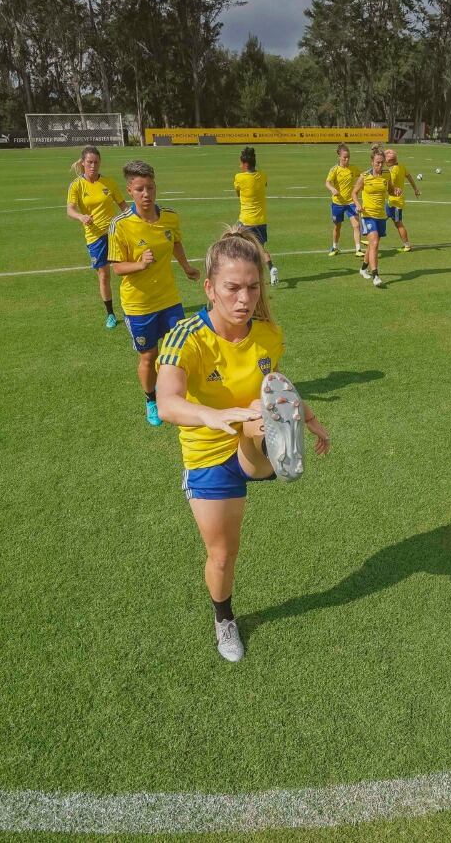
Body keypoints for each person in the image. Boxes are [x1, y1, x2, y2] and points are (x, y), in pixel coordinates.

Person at [155, 227, 330, 662]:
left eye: (252, 287)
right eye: (233, 288)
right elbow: (167, 402)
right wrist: (213, 417)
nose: (244, 299)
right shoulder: (186, 337)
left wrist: (310, 418)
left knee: (259, 410)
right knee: (222, 553)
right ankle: (224, 619)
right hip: (207, 454)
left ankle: (267, 441)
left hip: (252, 444)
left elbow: (278, 389)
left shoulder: (268, 334)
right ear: (210, 287)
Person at [108, 160, 200, 426]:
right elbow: (116, 268)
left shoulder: (170, 216)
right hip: (139, 304)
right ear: (130, 191)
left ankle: (182, 394)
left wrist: (186, 267)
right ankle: (151, 399)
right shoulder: (120, 225)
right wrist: (140, 263)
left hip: (169, 299)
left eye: (149, 187)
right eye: (139, 189)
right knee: (149, 356)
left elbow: (176, 241)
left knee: (182, 349)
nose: (146, 194)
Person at [67, 145, 127, 328]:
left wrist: (135, 220)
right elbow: (70, 209)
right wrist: (80, 216)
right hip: (94, 236)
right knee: (104, 275)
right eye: (90, 162)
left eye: (96, 162)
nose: (93, 166)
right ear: (83, 163)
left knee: (125, 272)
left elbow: (123, 206)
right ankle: (110, 314)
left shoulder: (109, 183)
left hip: (114, 233)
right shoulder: (76, 185)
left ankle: (131, 309)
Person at [351, 146, 400, 287]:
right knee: (374, 244)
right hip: (367, 215)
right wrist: (357, 205)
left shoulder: (386, 175)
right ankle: (376, 275)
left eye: (382, 163)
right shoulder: (364, 176)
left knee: (372, 245)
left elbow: (390, 190)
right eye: (377, 162)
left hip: (381, 215)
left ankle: (362, 269)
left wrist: (395, 191)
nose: (380, 165)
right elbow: (354, 193)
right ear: (372, 161)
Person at [232, 146, 279, 285]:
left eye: (240, 163)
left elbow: (238, 193)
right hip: (261, 220)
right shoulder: (262, 176)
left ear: (245, 164)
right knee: (260, 248)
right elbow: (263, 184)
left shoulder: (239, 177)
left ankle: (246, 276)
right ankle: (271, 268)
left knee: (235, 245)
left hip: (246, 220)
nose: (239, 166)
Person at [325, 144, 362, 258]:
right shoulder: (334, 170)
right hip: (338, 203)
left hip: (351, 202)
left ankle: (358, 249)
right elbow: (327, 182)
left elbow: (362, 177)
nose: (347, 159)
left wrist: (361, 186)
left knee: (356, 225)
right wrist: (332, 189)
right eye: (345, 157)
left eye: (348, 157)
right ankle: (335, 247)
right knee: (337, 226)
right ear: (339, 157)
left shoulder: (353, 168)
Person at [383, 148, 421, 252]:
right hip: (393, 200)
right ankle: (373, 237)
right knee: (381, 218)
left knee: (398, 223)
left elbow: (390, 183)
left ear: (389, 161)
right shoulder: (401, 166)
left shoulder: (392, 170)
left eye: (385, 160)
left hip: (395, 201)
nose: (384, 162)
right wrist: (415, 188)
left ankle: (407, 245)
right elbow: (409, 177)